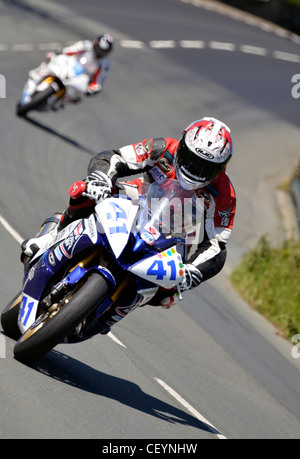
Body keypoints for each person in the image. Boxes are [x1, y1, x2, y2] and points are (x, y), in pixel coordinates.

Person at [21, 117, 236, 332]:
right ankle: (51, 236)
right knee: (86, 190)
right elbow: (115, 157)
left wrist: (193, 271)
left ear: (221, 168)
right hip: (138, 199)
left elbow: (217, 245)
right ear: (182, 145)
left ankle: (109, 309)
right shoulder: (163, 148)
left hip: (176, 232)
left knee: (168, 294)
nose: (195, 169)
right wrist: (102, 179)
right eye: (191, 158)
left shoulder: (225, 195)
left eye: (206, 167)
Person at [25, 33, 114, 108]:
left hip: (81, 78)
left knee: (78, 95)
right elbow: (71, 50)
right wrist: (60, 52)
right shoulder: (86, 45)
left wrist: (94, 89)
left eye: (103, 51)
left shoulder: (104, 64)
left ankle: (60, 102)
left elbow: (98, 80)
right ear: (95, 43)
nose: (100, 53)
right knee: (53, 61)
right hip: (70, 64)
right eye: (100, 50)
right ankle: (34, 81)